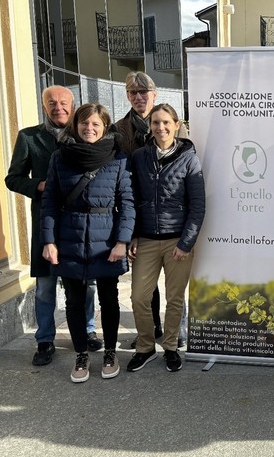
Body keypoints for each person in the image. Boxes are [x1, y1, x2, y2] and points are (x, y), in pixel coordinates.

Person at [5, 86, 102, 366]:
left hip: (80, 223)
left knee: (87, 282)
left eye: (63, 102)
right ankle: (45, 339)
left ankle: (86, 330)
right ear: (44, 106)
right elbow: (13, 178)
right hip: (46, 222)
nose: (58, 107)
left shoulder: (84, 134)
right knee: (46, 286)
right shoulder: (29, 137)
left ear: (73, 106)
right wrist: (39, 185)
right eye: (52, 102)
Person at [40, 103, 134, 383]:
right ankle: (81, 353)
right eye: (84, 123)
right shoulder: (60, 157)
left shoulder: (118, 159)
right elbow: (50, 202)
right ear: (75, 125)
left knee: (109, 299)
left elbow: (127, 203)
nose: (89, 128)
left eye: (95, 124)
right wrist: (49, 241)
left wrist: (122, 241)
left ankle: (109, 352)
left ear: (105, 127)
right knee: (74, 302)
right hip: (69, 238)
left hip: (106, 241)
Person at [127, 103, 205, 373]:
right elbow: (132, 198)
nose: (160, 127)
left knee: (174, 298)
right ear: (149, 126)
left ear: (176, 125)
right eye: (155, 123)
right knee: (139, 296)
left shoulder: (189, 158)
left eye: (165, 122)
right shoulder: (139, 156)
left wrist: (187, 242)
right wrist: (134, 234)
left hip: (177, 242)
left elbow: (198, 205)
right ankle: (146, 347)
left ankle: (171, 347)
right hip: (146, 239)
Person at [114, 71, 188, 347]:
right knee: (145, 287)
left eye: (143, 92)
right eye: (133, 92)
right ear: (128, 96)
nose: (138, 97)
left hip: (171, 218)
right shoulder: (120, 130)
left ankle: (176, 331)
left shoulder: (172, 124)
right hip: (141, 217)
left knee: (175, 286)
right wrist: (129, 229)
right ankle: (152, 330)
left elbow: (185, 163)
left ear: (154, 95)